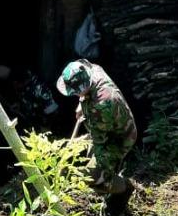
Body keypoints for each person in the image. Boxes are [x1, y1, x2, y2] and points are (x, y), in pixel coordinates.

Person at [57, 59, 137, 204]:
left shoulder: (101, 106)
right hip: (107, 125)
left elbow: (100, 141)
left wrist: (95, 170)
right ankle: (108, 177)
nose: (75, 95)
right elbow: (85, 93)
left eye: (76, 92)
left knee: (93, 179)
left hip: (118, 137)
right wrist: (82, 103)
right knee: (83, 155)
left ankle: (125, 188)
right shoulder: (91, 69)